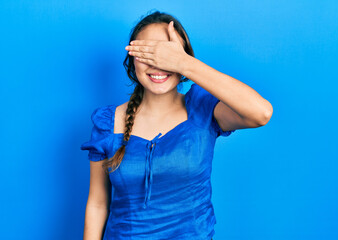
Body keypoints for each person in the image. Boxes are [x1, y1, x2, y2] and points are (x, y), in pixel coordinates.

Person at [80, 10, 273, 240]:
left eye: (167, 54)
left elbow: (261, 113)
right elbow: (98, 204)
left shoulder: (203, 109)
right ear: (132, 59)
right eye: (149, 53)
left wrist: (185, 64)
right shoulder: (106, 123)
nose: (158, 63)